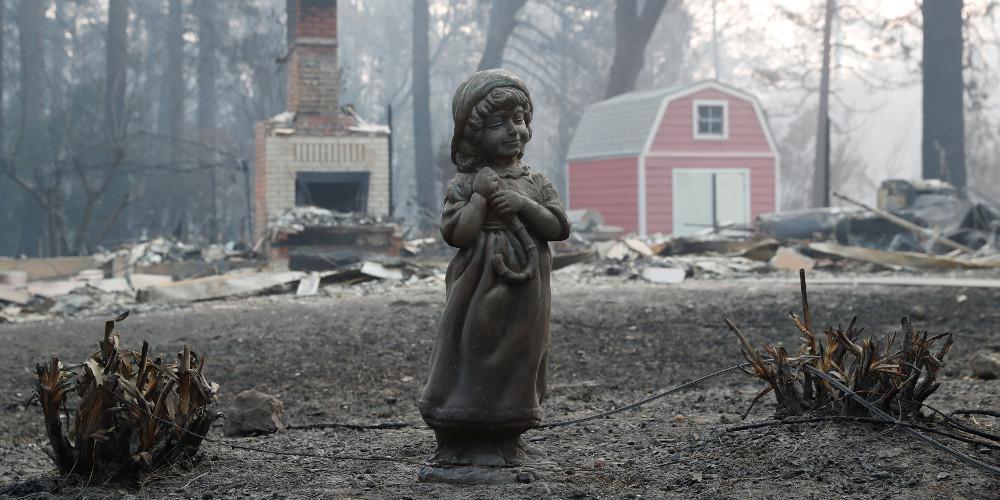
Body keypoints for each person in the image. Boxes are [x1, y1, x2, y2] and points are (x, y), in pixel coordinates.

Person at [418, 69, 571, 467]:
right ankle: (463, 436)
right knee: (475, 349)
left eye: (518, 120)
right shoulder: (467, 182)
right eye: (498, 123)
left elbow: (558, 226)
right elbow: (458, 234)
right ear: (473, 134)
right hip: (478, 289)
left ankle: (508, 436)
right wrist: (480, 200)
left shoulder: (534, 181)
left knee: (523, 354)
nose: (512, 130)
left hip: (528, 294)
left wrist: (523, 206)